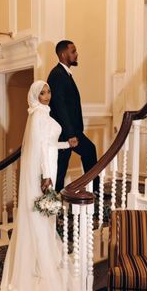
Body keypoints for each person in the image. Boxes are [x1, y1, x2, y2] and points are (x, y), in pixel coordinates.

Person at [0, 80, 110, 291]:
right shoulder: (38, 115)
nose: (48, 95)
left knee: (43, 220)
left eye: (49, 91)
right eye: (43, 92)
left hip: (48, 171)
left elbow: (46, 145)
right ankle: (36, 267)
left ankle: (37, 264)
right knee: (41, 218)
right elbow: (40, 150)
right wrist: (47, 177)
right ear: (35, 96)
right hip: (44, 177)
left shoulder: (40, 115)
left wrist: (67, 145)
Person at [47, 40, 99, 194]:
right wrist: (70, 134)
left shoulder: (64, 74)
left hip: (70, 131)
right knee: (61, 167)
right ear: (63, 55)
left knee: (85, 153)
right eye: (73, 51)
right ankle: (54, 202)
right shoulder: (57, 75)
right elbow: (60, 106)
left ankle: (93, 189)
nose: (76, 54)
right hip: (65, 133)